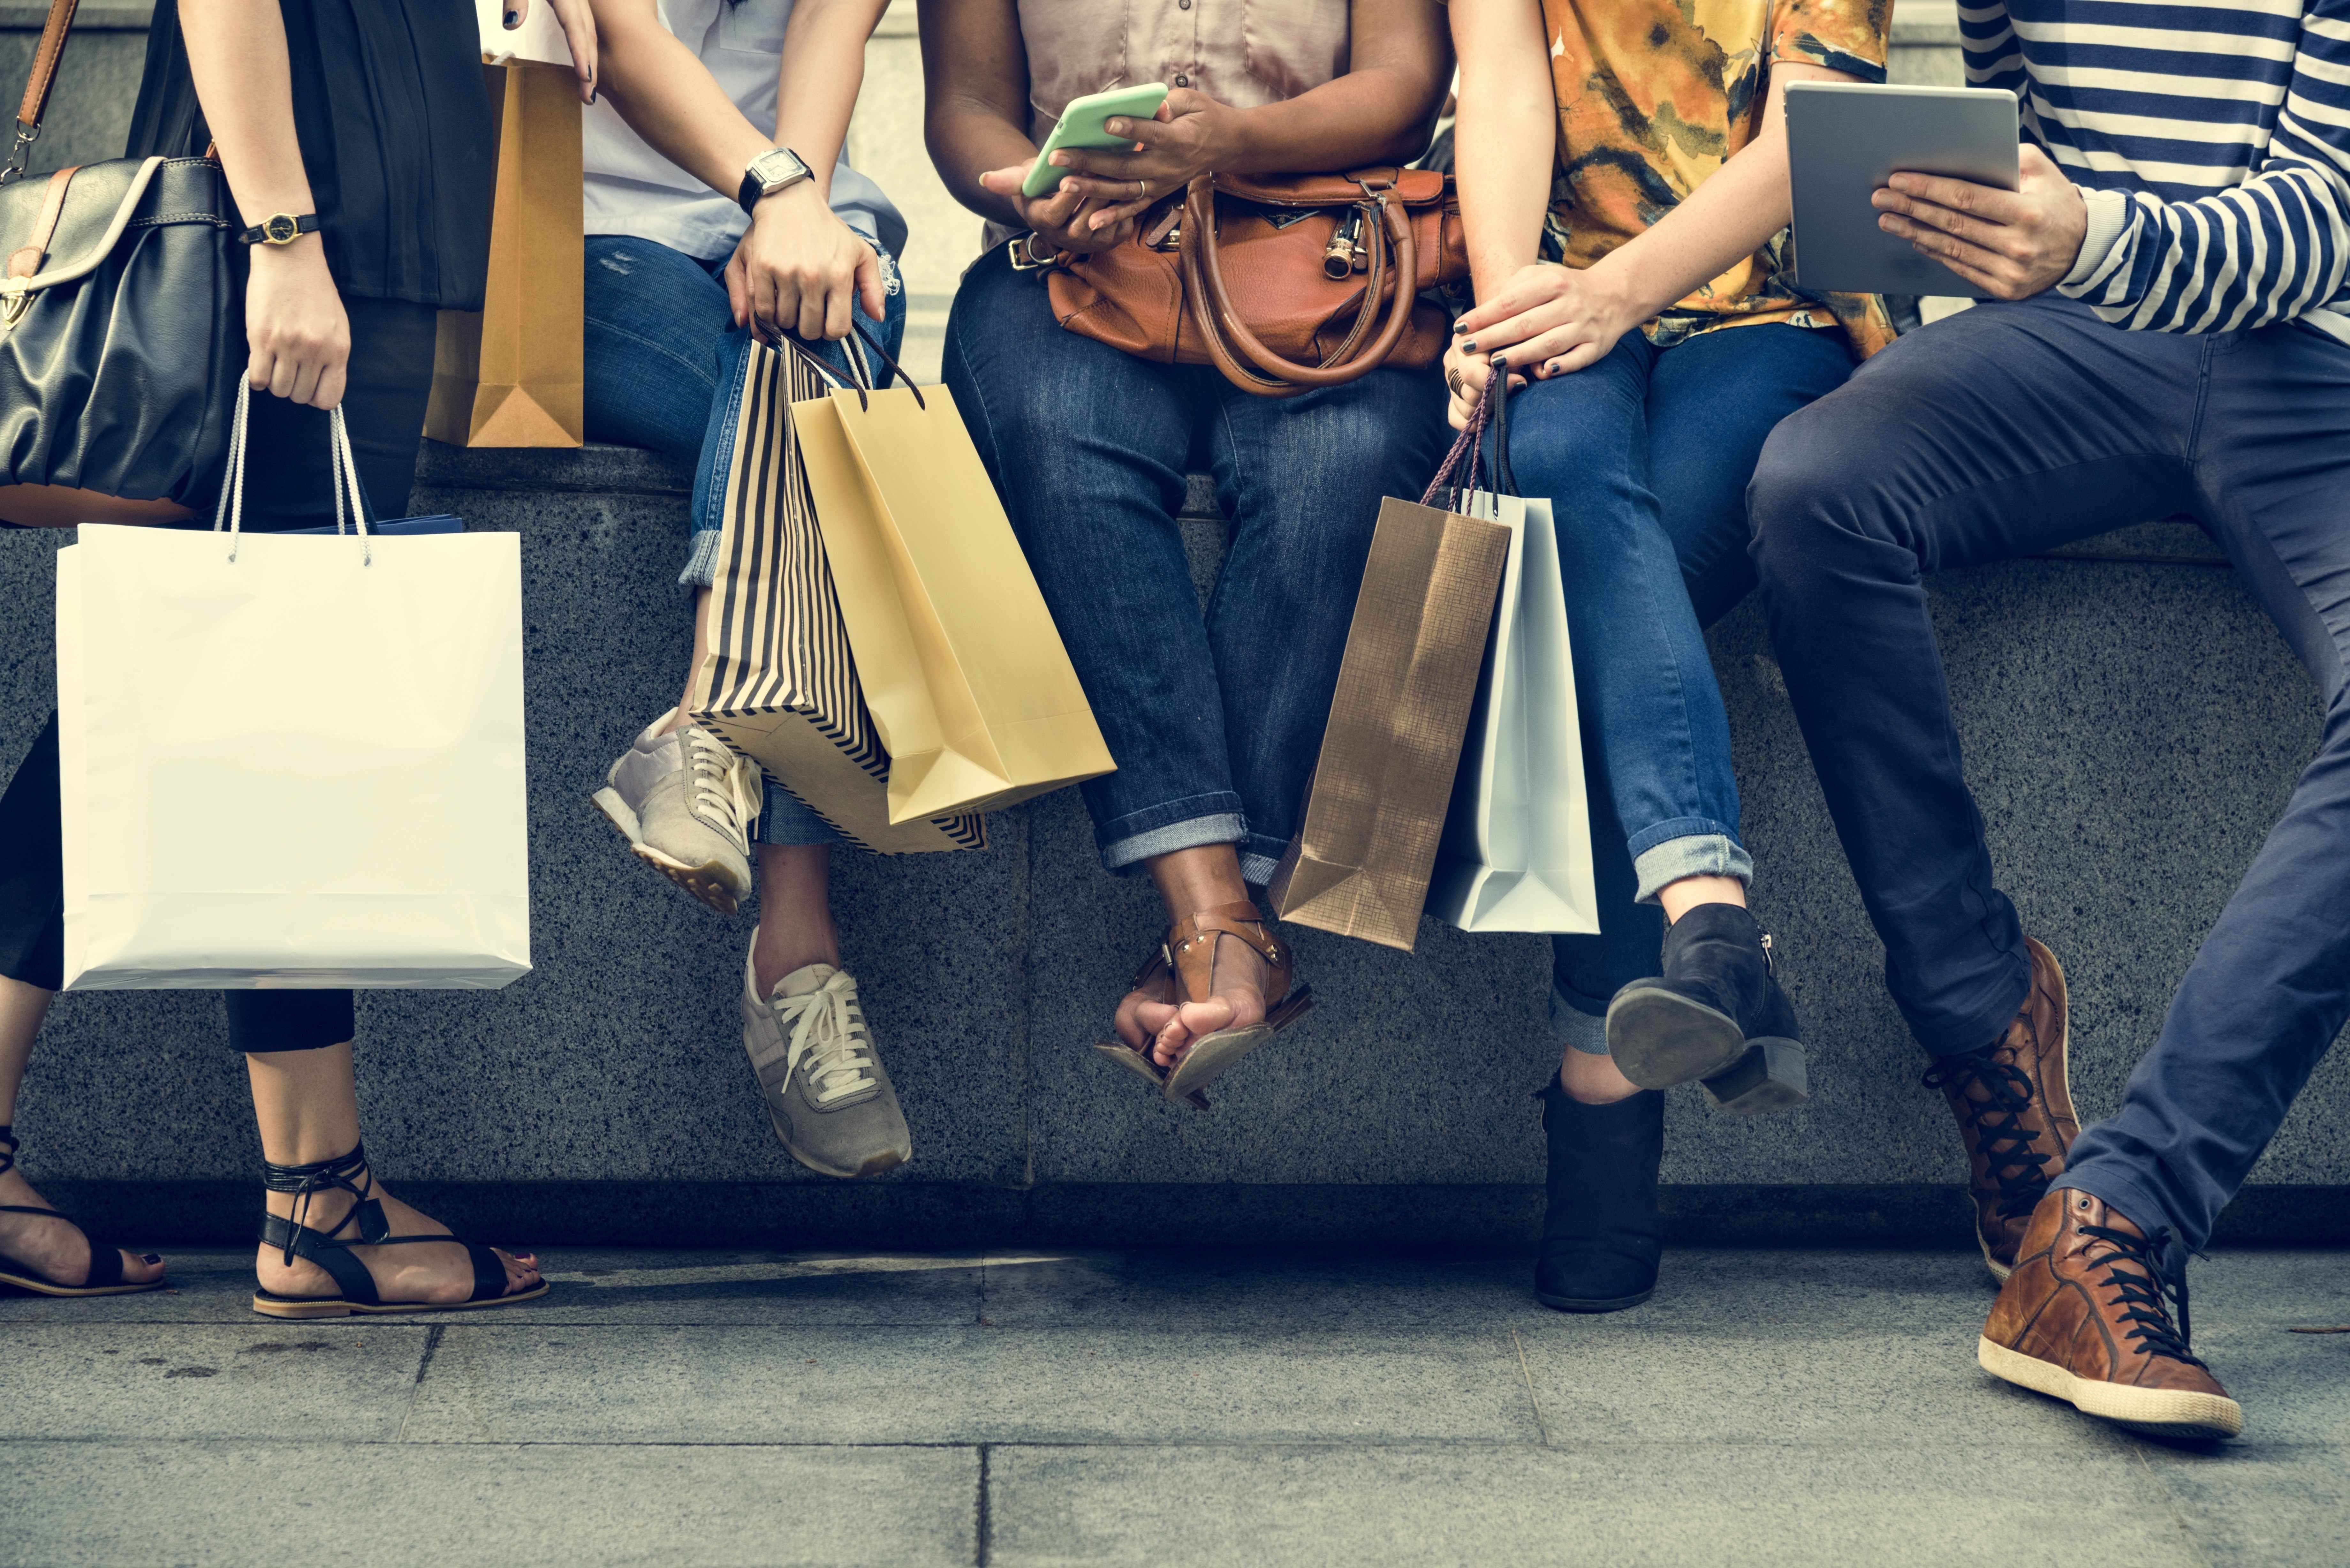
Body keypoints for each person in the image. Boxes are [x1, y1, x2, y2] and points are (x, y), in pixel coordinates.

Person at [1744, 0, 2350, 1441]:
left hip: (2322, 358)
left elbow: (2326, 215)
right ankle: (1981, 1016)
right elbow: (1987, 132)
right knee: (1813, 486)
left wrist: (2087, 245)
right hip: (2082, 342)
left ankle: (2116, 1219)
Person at [0, 0, 586, 1313]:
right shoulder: (296, 226)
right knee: (264, 692)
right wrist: (282, 232)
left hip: (340, 205)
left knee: (200, 695)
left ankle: (317, 1196)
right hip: (305, 207)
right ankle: (317, 1200)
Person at [1441, 0, 1893, 1313]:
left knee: (1600, 582)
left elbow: (1815, 135)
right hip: (1557, 302)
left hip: (1773, 314)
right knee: (1570, 468)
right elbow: (1503, 85)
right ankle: (1713, 930)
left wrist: (1612, 293)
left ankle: (1601, 1087)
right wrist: (1501, 310)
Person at [923, 0, 1454, 1105]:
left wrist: (1236, 141)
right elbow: (965, 105)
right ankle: (1221, 923)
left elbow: (1406, 84)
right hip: (1074, 270)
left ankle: (1214, 932)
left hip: (1322, 263)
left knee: (1341, 476)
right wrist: (1026, 187)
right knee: (1059, 448)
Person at [580, 0, 915, 1180]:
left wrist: (801, 211)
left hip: (793, 213)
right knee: (820, 431)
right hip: (570, 228)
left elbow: (831, 17)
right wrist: (775, 193)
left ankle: (707, 738)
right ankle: (796, 952)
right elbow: (621, 39)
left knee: (811, 344)